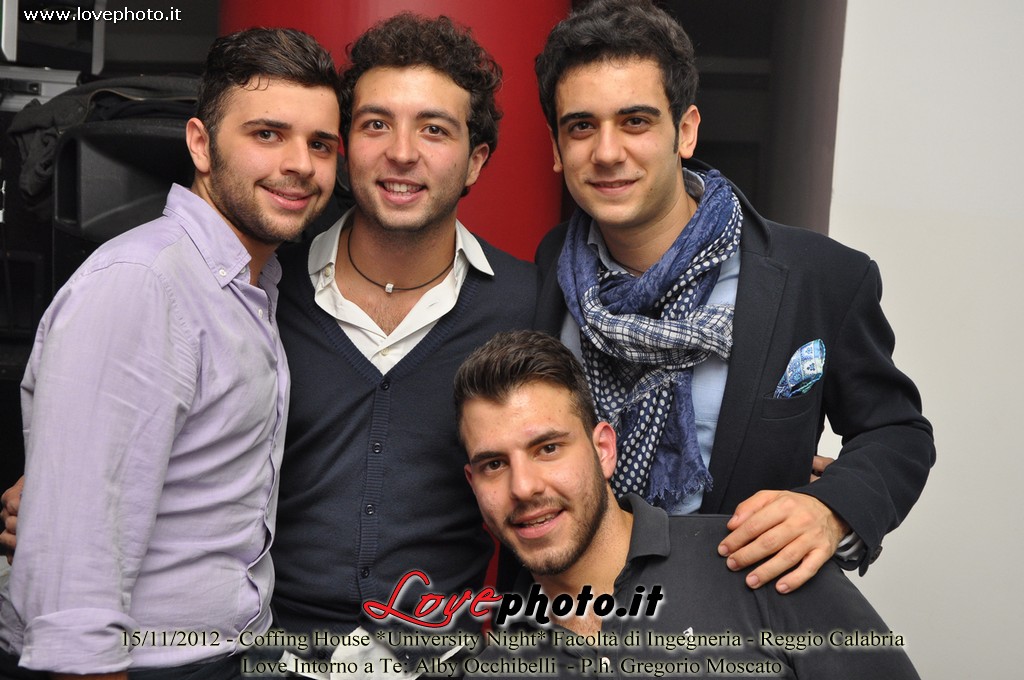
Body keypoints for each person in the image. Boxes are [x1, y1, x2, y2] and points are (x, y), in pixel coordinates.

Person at [531, 0, 935, 593]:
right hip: (568, 614)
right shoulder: (546, 272)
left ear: (685, 130)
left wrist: (831, 511)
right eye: (582, 127)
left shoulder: (817, 277)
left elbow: (897, 431)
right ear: (556, 146)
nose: (608, 152)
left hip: (738, 614)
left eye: (636, 121)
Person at [0, 28, 341, 679]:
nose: (300, 163)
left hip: (219, 654)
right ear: (201, 144)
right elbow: (75, 573)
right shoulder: (144, 284)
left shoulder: (248, 286)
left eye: (320, 143)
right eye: (268, 134)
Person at [266, 11, 536, 668]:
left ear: (474, 162)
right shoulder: (268, 289)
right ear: (344, 145)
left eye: (434, 129)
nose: (402, 152)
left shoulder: (527, 303)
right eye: (376, 124)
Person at [455, 330, 921, 679]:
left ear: (604, 450)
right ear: (473, 483)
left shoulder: (760, 557)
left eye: (548, 448)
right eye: (494, 464)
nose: (523, 487)